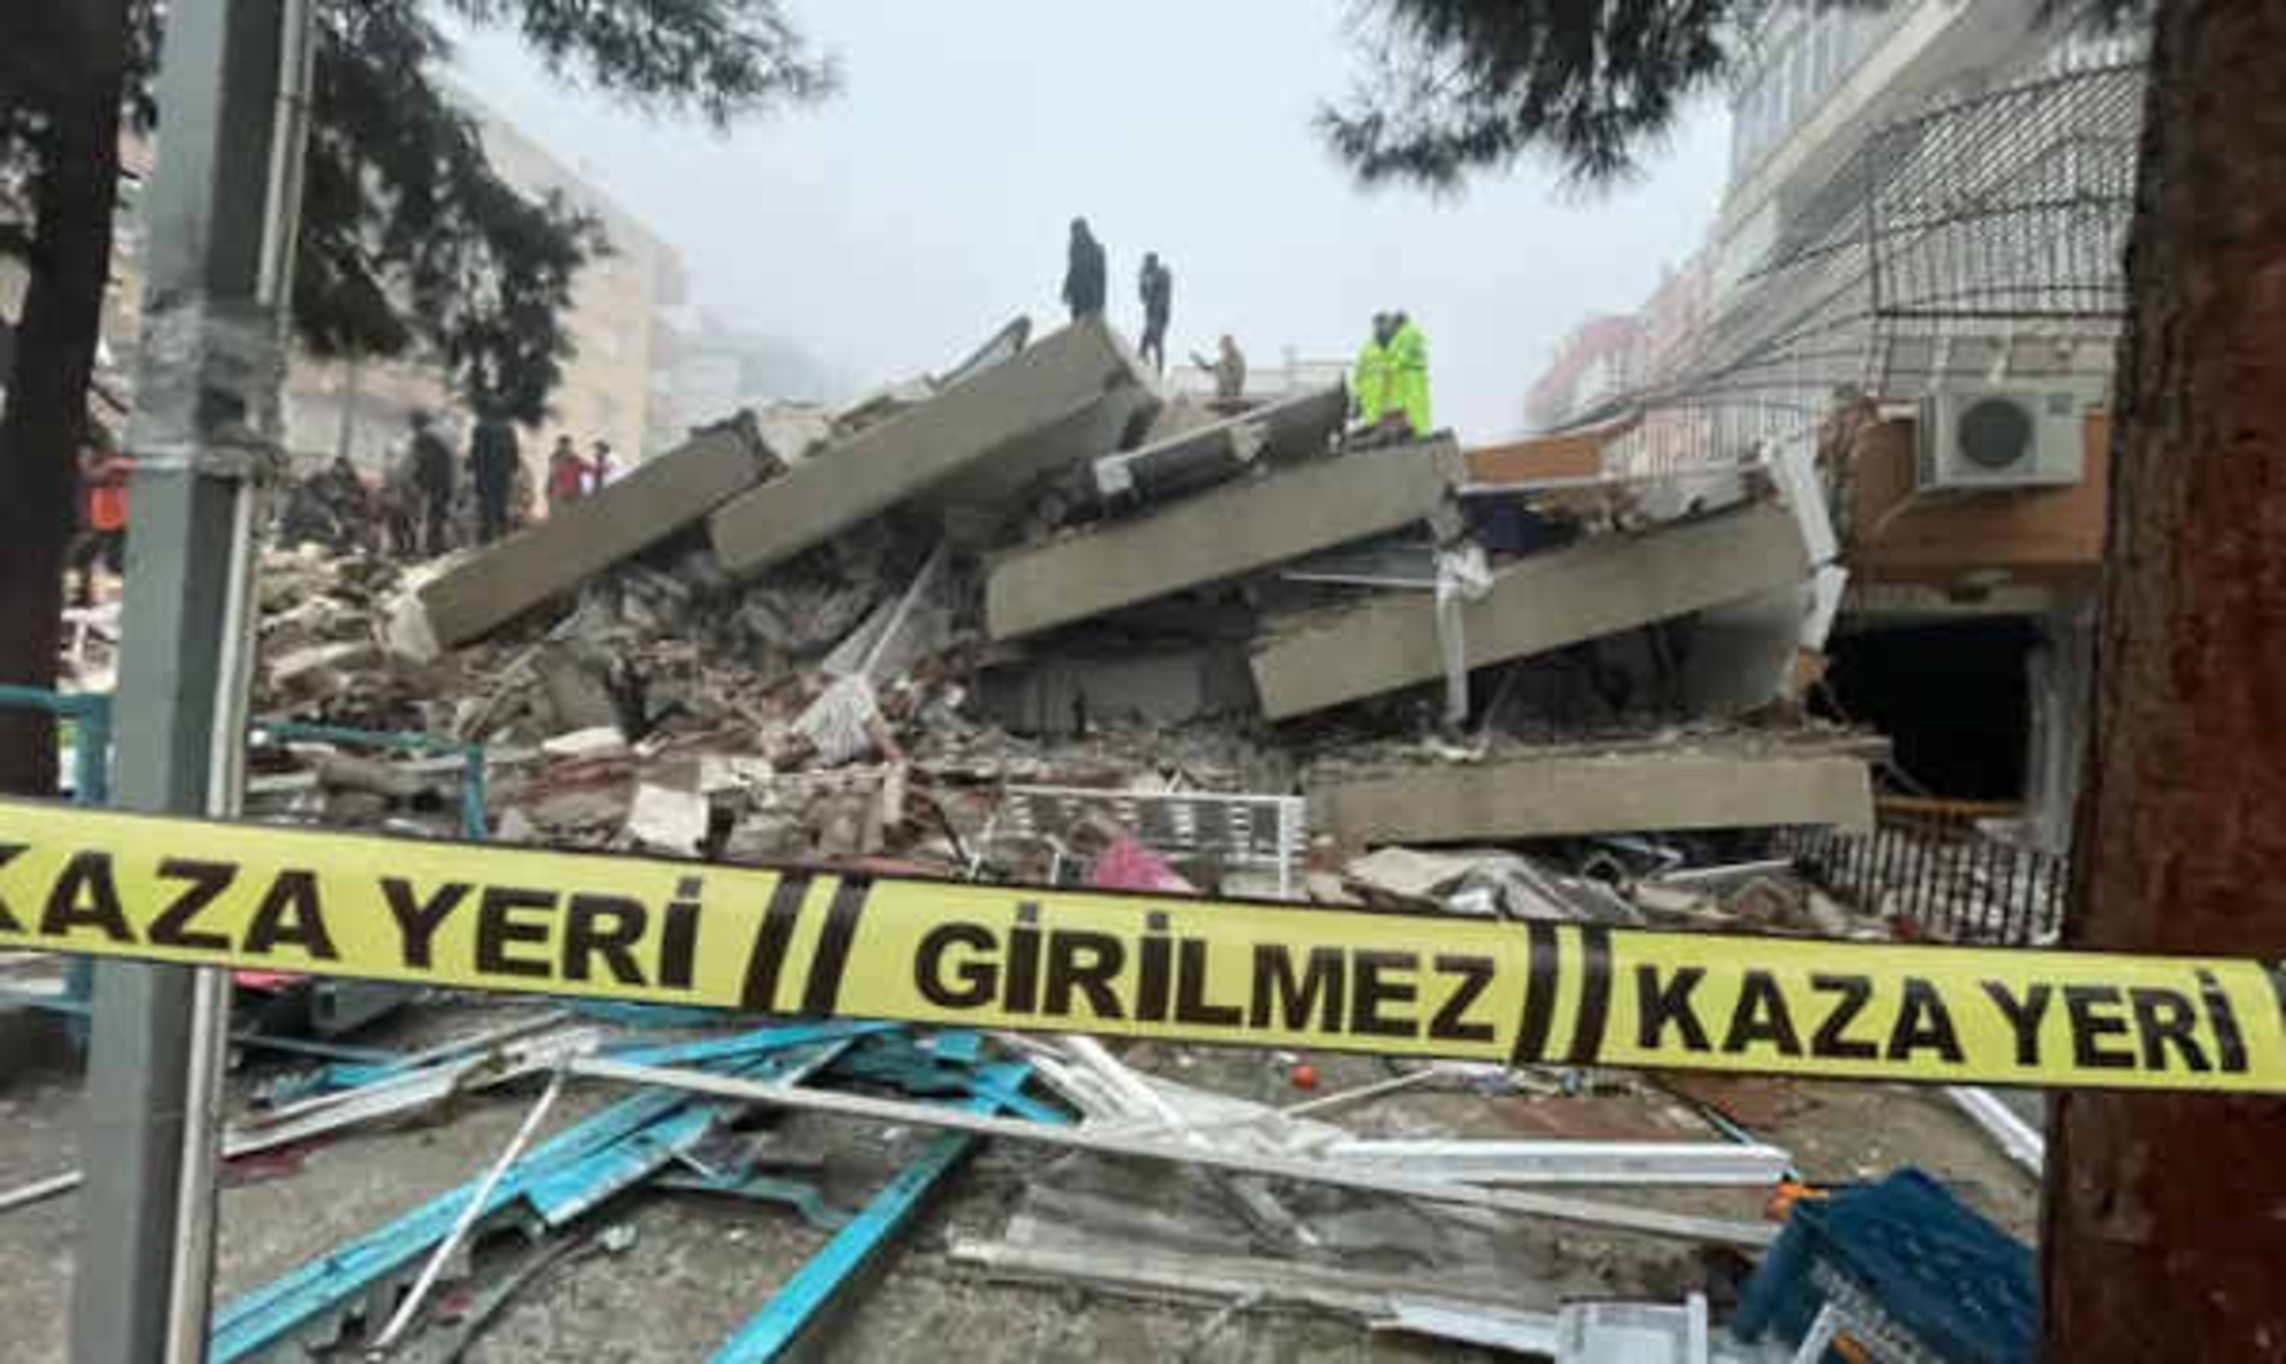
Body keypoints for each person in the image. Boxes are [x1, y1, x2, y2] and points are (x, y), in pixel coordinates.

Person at [68, 425, 133, 607]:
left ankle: (111, 597)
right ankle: (81, 597)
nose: (83, 458)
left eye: (85, 453)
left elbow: (98, 476)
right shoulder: (95, 470)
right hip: (98, 524)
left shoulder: (109, 468)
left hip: (111, 524)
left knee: (112, 563)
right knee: (81, 560)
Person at [469, 405, 520, 544]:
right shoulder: (508, 428)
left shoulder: (480, 427)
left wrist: (471, 466)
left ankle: (486, 534)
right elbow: (514, 449)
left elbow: (476, 450)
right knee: (501, 501)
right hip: (503, 472)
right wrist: (514, 466)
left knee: (486, 503)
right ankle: (503, 531)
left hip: (486, 471)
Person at [407, 409, 455, 556]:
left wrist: (418, 481)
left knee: (434, 516)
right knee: (437, 516)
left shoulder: (423, 440)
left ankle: (435, 547)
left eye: (413, 424)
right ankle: (436, 546)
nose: (412, 428)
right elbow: (428, 463)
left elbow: (426, 464)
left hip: (437, 485)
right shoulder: (434, 440)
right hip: (443, 484)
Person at [1388, 310, 1433, 437]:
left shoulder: (1407, 333)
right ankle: (1419, 431)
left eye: (1394, 324)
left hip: (1411, 374)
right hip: (1409, 374)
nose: (1392, 327)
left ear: (1399, 322)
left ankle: (1420, 432)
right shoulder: (1406, 334)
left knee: (1415, 406)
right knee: (1413, 406)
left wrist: (1391, 366)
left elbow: (1404, 354)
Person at [1351, 313, 1393, 432]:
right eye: (1378, 325)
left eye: (1384, 324)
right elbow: (1358, 378)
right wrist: (1357, 401)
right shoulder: (1366, 351)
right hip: (1371, 412)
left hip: (1392, 410)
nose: (1381, 328)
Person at [1062, 218, 1107, 322]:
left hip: (1091, 292)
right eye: (1074, 232)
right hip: (1077, 293)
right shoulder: (1074, 250)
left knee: (1089, 318)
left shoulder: (1097, 249)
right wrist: (1066, 289)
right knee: (1077, 318)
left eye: (1078, 230)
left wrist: (1099, 303)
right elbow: (1072, 270)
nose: (1075, 235)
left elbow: (1102, 278)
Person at [1137, 252, 1172, 372]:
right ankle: (1145, 367)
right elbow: (1143, 297)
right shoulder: (1149, 276)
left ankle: (1159, 370)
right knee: (1144, 345)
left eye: (1148, 262)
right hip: (1151, 314)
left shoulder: (1162, 273)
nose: (1146, 265)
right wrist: (1142, 281)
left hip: (1159, 314)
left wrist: (1145, 278)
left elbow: (1162, 295)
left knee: (1156, 341)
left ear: (1153, 262)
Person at [547, 434, 589, 511]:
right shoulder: (554, 458)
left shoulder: (574, 457)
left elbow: (585, 468)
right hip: (561, 492)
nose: (566, 447)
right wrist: (549, 489)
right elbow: (552, 475)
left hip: (574, 491)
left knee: (574, 510)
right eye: (563, 445)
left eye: (567, 445)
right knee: (563, 510)